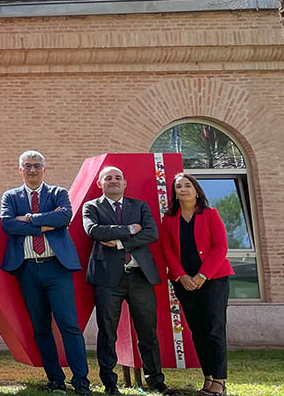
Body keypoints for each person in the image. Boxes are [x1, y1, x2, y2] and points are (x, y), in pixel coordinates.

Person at [0, 150, 90, 394]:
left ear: (44, 169)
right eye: (27, 166)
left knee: (69, 325)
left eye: (37, 165)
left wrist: (28, 219)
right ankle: (55, 380)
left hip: (56, 268)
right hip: (27, 270)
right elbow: (7, 224)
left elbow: (64, 217)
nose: (32, 170)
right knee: (40, 328)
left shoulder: (58, 193)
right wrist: (43, 227)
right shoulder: (10, 196)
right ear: (20, 170)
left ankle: (81, 381)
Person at [82, 166, 168, 395]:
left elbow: (151, 233)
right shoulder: (91, 207)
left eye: (118, 178)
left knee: (148, 331)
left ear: (125, 183)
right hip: (107, 279)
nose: (113, 181)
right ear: (100, 183)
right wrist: (129, 229)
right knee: (107, 331)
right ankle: (109, 382)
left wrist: (120, 243)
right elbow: (94, 231)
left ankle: (156, 380)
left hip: (140, 276)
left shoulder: (139, 206)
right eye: (108, 178)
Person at [158, 173, 232, 396]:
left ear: (197, 190)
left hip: (213, 280)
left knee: (214, 328)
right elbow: (167, 250)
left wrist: (202, 276)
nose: (183, 189)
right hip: (184, 283)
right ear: (175, 193)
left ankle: (219, 381)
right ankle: (208, 378)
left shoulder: (210, 214)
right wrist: (181, 276)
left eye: (187, 185)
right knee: (197, 331)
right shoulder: (169, 219)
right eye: (178, 186)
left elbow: (221, 247)